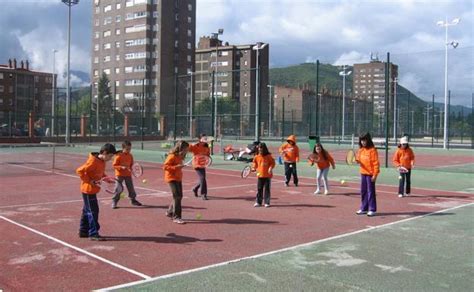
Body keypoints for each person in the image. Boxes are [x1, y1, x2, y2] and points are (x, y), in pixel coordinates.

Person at [76, 143, 117, 241]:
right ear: (104, 153)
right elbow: (79, 171)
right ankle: (93, 233)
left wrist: (106, 178)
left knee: (87, 210)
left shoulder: (102, 162)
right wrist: (90, 181)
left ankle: (83, 231)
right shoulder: (93, 162)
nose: (111, 158)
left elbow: (100, 173)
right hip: (88, 190)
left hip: (93, 190)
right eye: (110, 156)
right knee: (93, 211)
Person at [163, 140, 189, 224]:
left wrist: (179, 167)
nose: (187, 151)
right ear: (181, 148)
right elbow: (165, 167)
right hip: (171, 178)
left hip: (178, 178)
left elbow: (178, 167)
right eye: (185, 149)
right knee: (177, 196)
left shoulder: (180, 156)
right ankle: (176, 217)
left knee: (179, 196)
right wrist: (176, 167)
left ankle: (170, 211)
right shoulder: (172, 156)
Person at [111, 140, 142, 209]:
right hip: (119, 175)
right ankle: (114, 201)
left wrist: (131, 169)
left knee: (131, 188)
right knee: (118, 188)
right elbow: (114, 166)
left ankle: (133, 200)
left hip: (128, 175)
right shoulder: (118, 156)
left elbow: (131, 165)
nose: (129, 150)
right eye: (127, 149)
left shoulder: (130, 156)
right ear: (123, 148)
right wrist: (121, 167)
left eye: (130, 149)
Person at [355, 133, 380, 217]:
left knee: (371, 192)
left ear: (368, 140)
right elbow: (358, 159)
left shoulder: (373, 150)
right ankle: (364, 208)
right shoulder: (361, 150)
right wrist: (357, 160)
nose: (363, 142)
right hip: (363, 173)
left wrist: (375, 175)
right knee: (363, 191)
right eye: (362, 140)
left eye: (364, 140)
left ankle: (372, 209)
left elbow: (376, 163)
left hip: (370, 174)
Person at [252, 143, 275, 207]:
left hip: (267, 176)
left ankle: (267, 202)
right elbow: (254, 163)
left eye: (261, 149)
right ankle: (258, 202)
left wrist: (270, 168)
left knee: (267, 189)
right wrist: (253, 168)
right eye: (259, 149)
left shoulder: (268, 156)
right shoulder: (256, 156)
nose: (260, 150)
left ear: (264, 149)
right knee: (259, 189)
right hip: (260, 175)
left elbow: (272, 163)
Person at [189, 134, 211, 200]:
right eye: (204, 138)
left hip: (202, 164)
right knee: (202, 178)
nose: (205, 139)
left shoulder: (207, 147)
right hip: (196, 164)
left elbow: (207, 155)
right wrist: (191, 145)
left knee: (202, 179)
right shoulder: (196, 146)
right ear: (200, 139)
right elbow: (189, 149)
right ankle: (203, 194)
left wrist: (207, 162)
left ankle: (195, 189)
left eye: (206, 138)